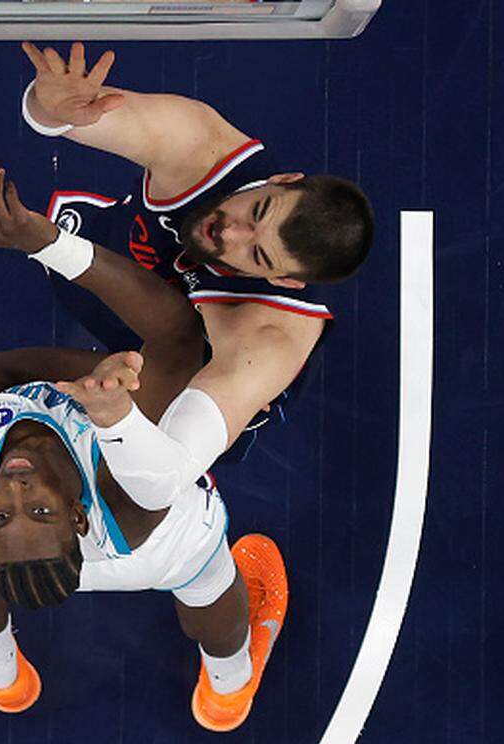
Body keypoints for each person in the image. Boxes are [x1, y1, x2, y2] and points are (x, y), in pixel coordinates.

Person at [0, 170, 287, 731]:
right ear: (74, 515)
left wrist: (76, 379)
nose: (17, 490)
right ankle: (230, 686)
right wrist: (49, 245)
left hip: (59, 540)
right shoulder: (132, 488)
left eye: (3, 513)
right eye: (38, 510)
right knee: (208, 579)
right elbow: (176, 334)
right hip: (153, 546)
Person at [21, 42, 374, 463]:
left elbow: (170, 464)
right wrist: (51, 109)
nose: (231, 232)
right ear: (281, 179)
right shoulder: (203, 146)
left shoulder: (268, 337)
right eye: (258, 210)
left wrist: (116, 423)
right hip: (115, 256)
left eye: (258, 255)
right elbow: (78, 115)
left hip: (181, 374)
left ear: (283, 280)